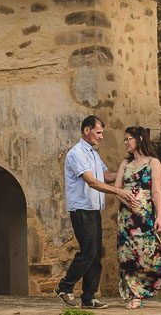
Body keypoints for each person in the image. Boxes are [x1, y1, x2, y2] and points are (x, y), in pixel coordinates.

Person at [57, 115, 134, 310]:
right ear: (87, 130)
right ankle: (64, 287)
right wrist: (119, 191)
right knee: (89, 251)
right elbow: (91, 181)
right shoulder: (77, 154)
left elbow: (106, 176)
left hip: (93, 210)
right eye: (98, 132)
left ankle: (88, 297)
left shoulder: (93, 153)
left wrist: (132, 173)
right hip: (81, 209)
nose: (101, 137)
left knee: (96, 254)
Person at [114, 125, 161, 309]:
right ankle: (135, 295)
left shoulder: (153, 162)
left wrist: (159, 217)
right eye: (124, 139)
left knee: (149, 253)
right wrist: (124, 196)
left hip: (144, 216)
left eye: (129, 139)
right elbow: (116, 189)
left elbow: (156, 192)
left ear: (140, 138)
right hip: (125, 217)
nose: (126, 142)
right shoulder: (125, 163)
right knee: (127, 256)